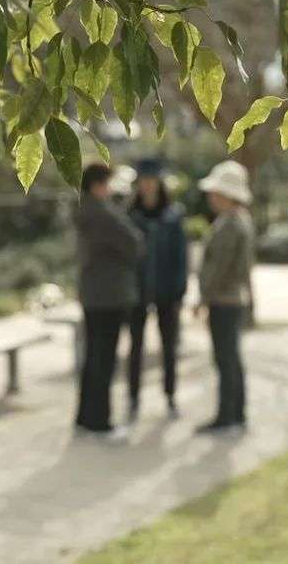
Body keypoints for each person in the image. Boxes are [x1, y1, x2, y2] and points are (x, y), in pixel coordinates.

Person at [75, 163, 144, 441]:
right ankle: (100, 422)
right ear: (98, 185)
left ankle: (85, 417)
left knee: (93, 358)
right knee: (104, 359)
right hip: (110, 295)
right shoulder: (103, 213)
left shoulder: (83, 211)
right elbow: (136, 243)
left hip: (92, 294)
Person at [194, 161, 255, 433]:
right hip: (231, 299)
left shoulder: (231, 224)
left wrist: (203, 298)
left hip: (224, 300)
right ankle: (236, 415)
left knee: (226, 360)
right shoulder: (239, 220)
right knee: (231, 359)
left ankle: (228, 417)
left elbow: (218, 267)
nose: (211, 197)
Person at [127, 159, 188, 422]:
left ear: (159, 183)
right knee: (135, 346)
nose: (148, 185)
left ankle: (170, 395)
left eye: (152, 181)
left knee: (169, 347)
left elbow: (182, 258)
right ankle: (133, 397)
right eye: (144, 181)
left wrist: (179, 291)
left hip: (167, 291)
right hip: (137, 293)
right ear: (139, 184)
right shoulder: (130, 216)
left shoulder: (173, 217)